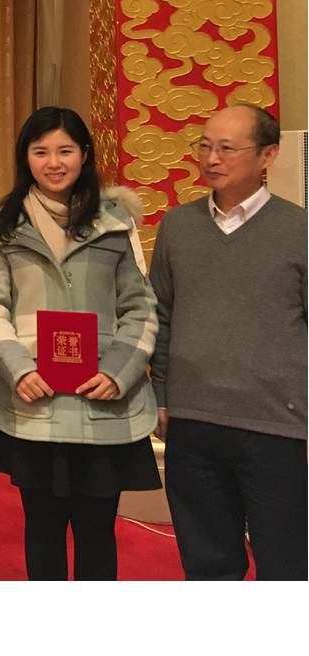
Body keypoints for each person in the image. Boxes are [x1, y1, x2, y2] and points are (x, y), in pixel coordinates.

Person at [0, 106, 160, 580]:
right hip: (35, 401)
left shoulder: (116, 223)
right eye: (41, 152)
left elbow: (140, 306)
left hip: (102, 400)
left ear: (85, 155)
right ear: (25, 158)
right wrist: (19, 369)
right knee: (43, 529)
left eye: (65, 151)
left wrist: (118, 372)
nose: (54, 163)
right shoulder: (4, 226)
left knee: (97, 531)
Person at [149, 104, 307, 580]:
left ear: (268, 155)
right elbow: (160, 315)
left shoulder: (298, 230)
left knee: (286, 564)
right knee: (208, 565)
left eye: (227, 148)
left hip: (276, 426)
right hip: (192, 421)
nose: (212, 158)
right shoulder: (178, 226)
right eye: (205, 146)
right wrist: (161, 396)